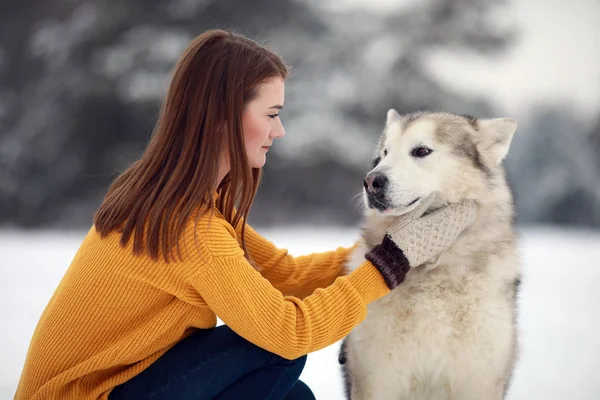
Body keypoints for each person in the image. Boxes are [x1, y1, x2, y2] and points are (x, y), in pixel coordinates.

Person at [15, 29, 476, 400]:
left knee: (294, 398)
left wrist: (382, 251)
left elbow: (281, 272)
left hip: (132, 379)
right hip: (86, 395)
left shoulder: (186, 199)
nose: (280, 129)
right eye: (271, 113)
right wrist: (388, 267)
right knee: (276, 352)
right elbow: (289, 331)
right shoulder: (188, 228)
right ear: (222, 116)